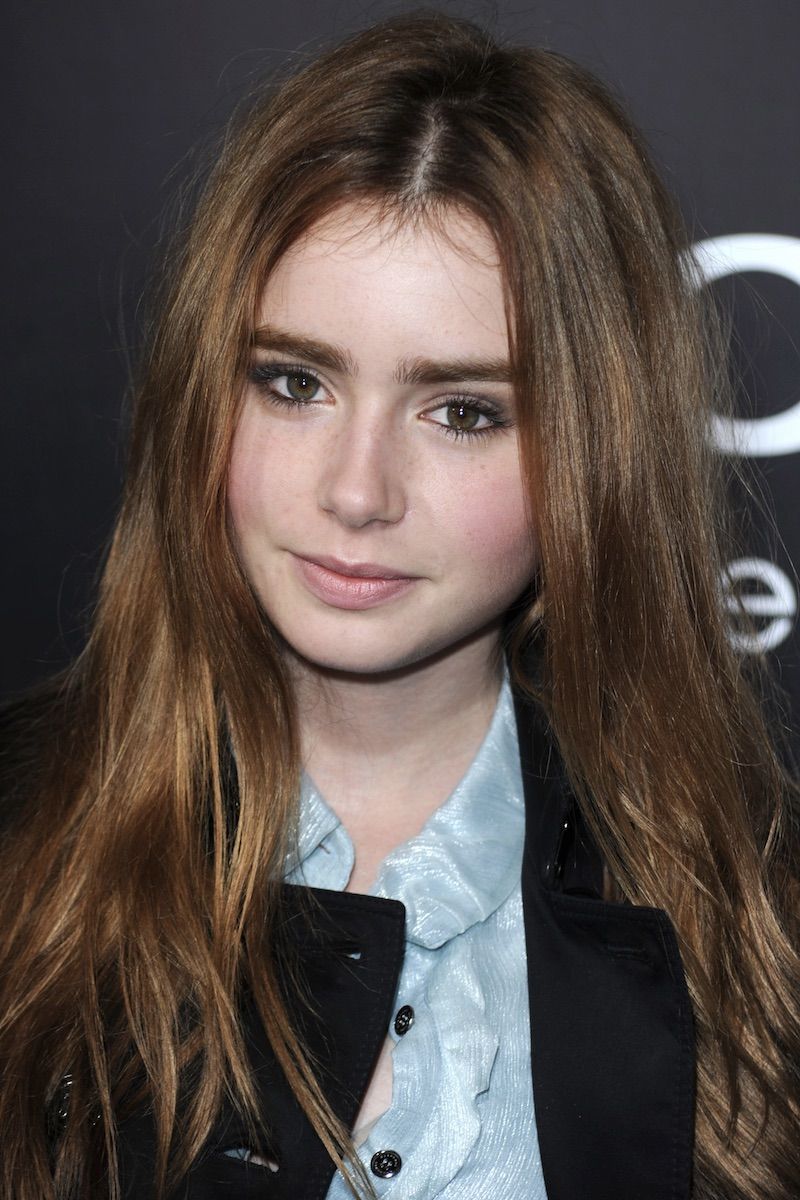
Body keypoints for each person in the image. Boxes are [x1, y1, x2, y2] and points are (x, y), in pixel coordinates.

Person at [1, 10, 798, 1200]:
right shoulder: (24, 842)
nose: (355, 491)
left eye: (461, 411)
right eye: (294, 383)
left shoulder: (759, 921)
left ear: (592, 453)